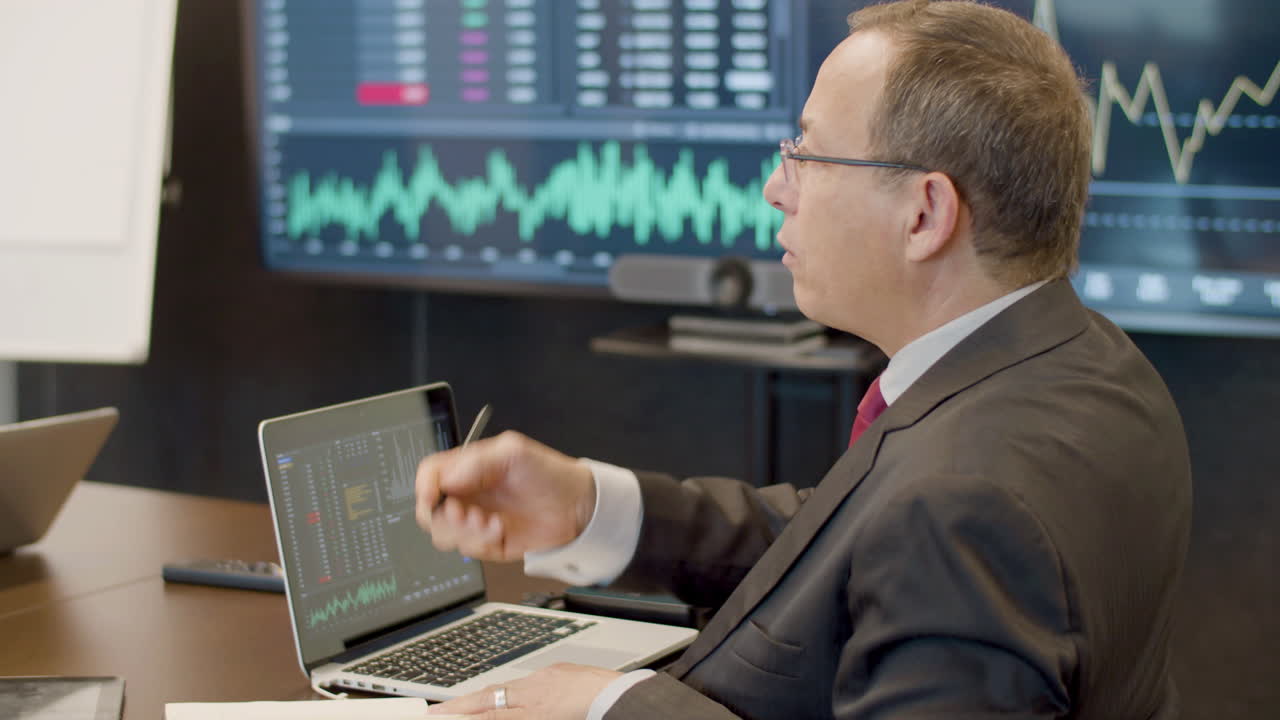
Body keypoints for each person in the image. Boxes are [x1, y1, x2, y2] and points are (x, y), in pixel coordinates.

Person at [415, 1, 1193, 717]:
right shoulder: (1088, 366)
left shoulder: (962, 503)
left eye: (809, 155)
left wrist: (604, 710)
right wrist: (590, 507)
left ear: (925, 214)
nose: (774, 187)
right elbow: (851, 546)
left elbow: (922, 532)